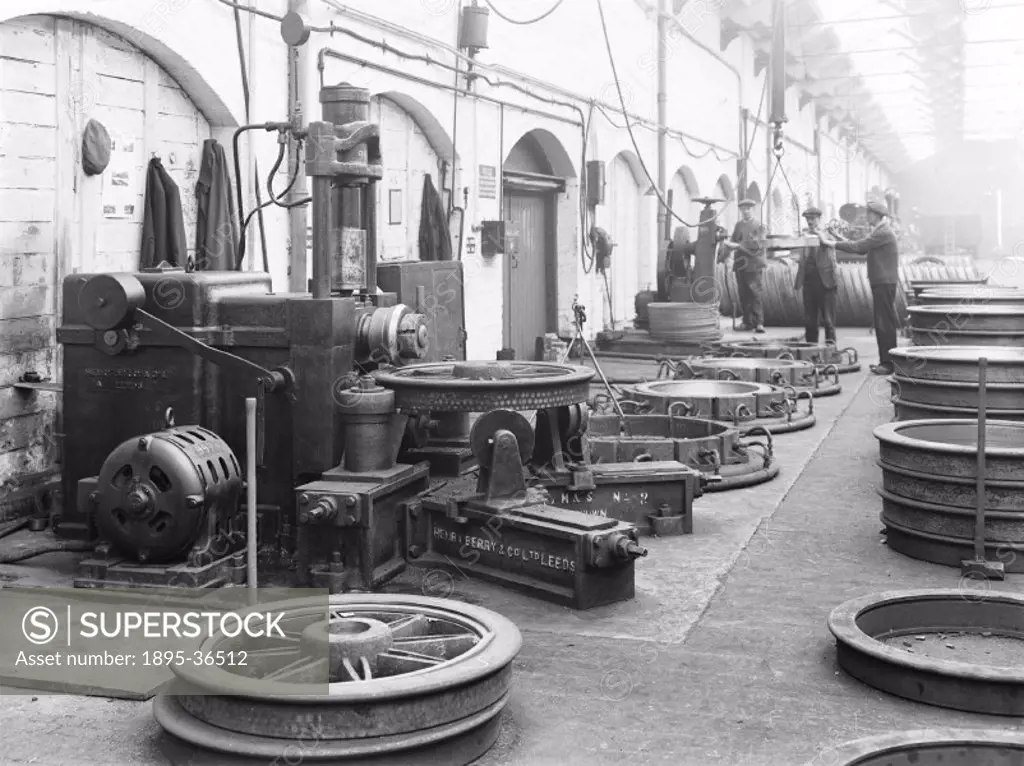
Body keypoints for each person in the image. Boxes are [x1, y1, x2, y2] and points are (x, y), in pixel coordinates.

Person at [833, 200, 900, 375]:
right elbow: (862, 248)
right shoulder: (880, 231)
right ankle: (886, 361)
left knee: (884, 323)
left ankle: (888, 364)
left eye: (868, 214)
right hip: (883, 282)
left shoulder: (883, 232)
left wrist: (831, 244)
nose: (865, 216)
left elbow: (859, 247)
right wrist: (839, 238)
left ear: (876, 215)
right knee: (882, 322)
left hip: (884, 282)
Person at [720, 199, 766, 333]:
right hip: (740, 265)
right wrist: (722, 257)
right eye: (743, 209)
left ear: (753, 209)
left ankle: (759, 323)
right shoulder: (738, 226)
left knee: (755, 293)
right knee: (743, 294)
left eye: (748, 208)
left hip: (754, 265)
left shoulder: (759, 226)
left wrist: (738, 245)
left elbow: (757, 246)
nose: (746, 211)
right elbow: (732, 242)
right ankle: (747, 322)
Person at [794, 206, 838, 344]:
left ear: (819, 219)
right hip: (809, 281)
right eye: (808, 219)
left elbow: (833, 246)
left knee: (828, 320)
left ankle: (831, 351)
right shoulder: (804, 236)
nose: (810, 222)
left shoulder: (828, 234)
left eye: (812, 219)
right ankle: (811, 350)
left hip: (825, 282)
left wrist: (821, 236)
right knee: (810, 320)